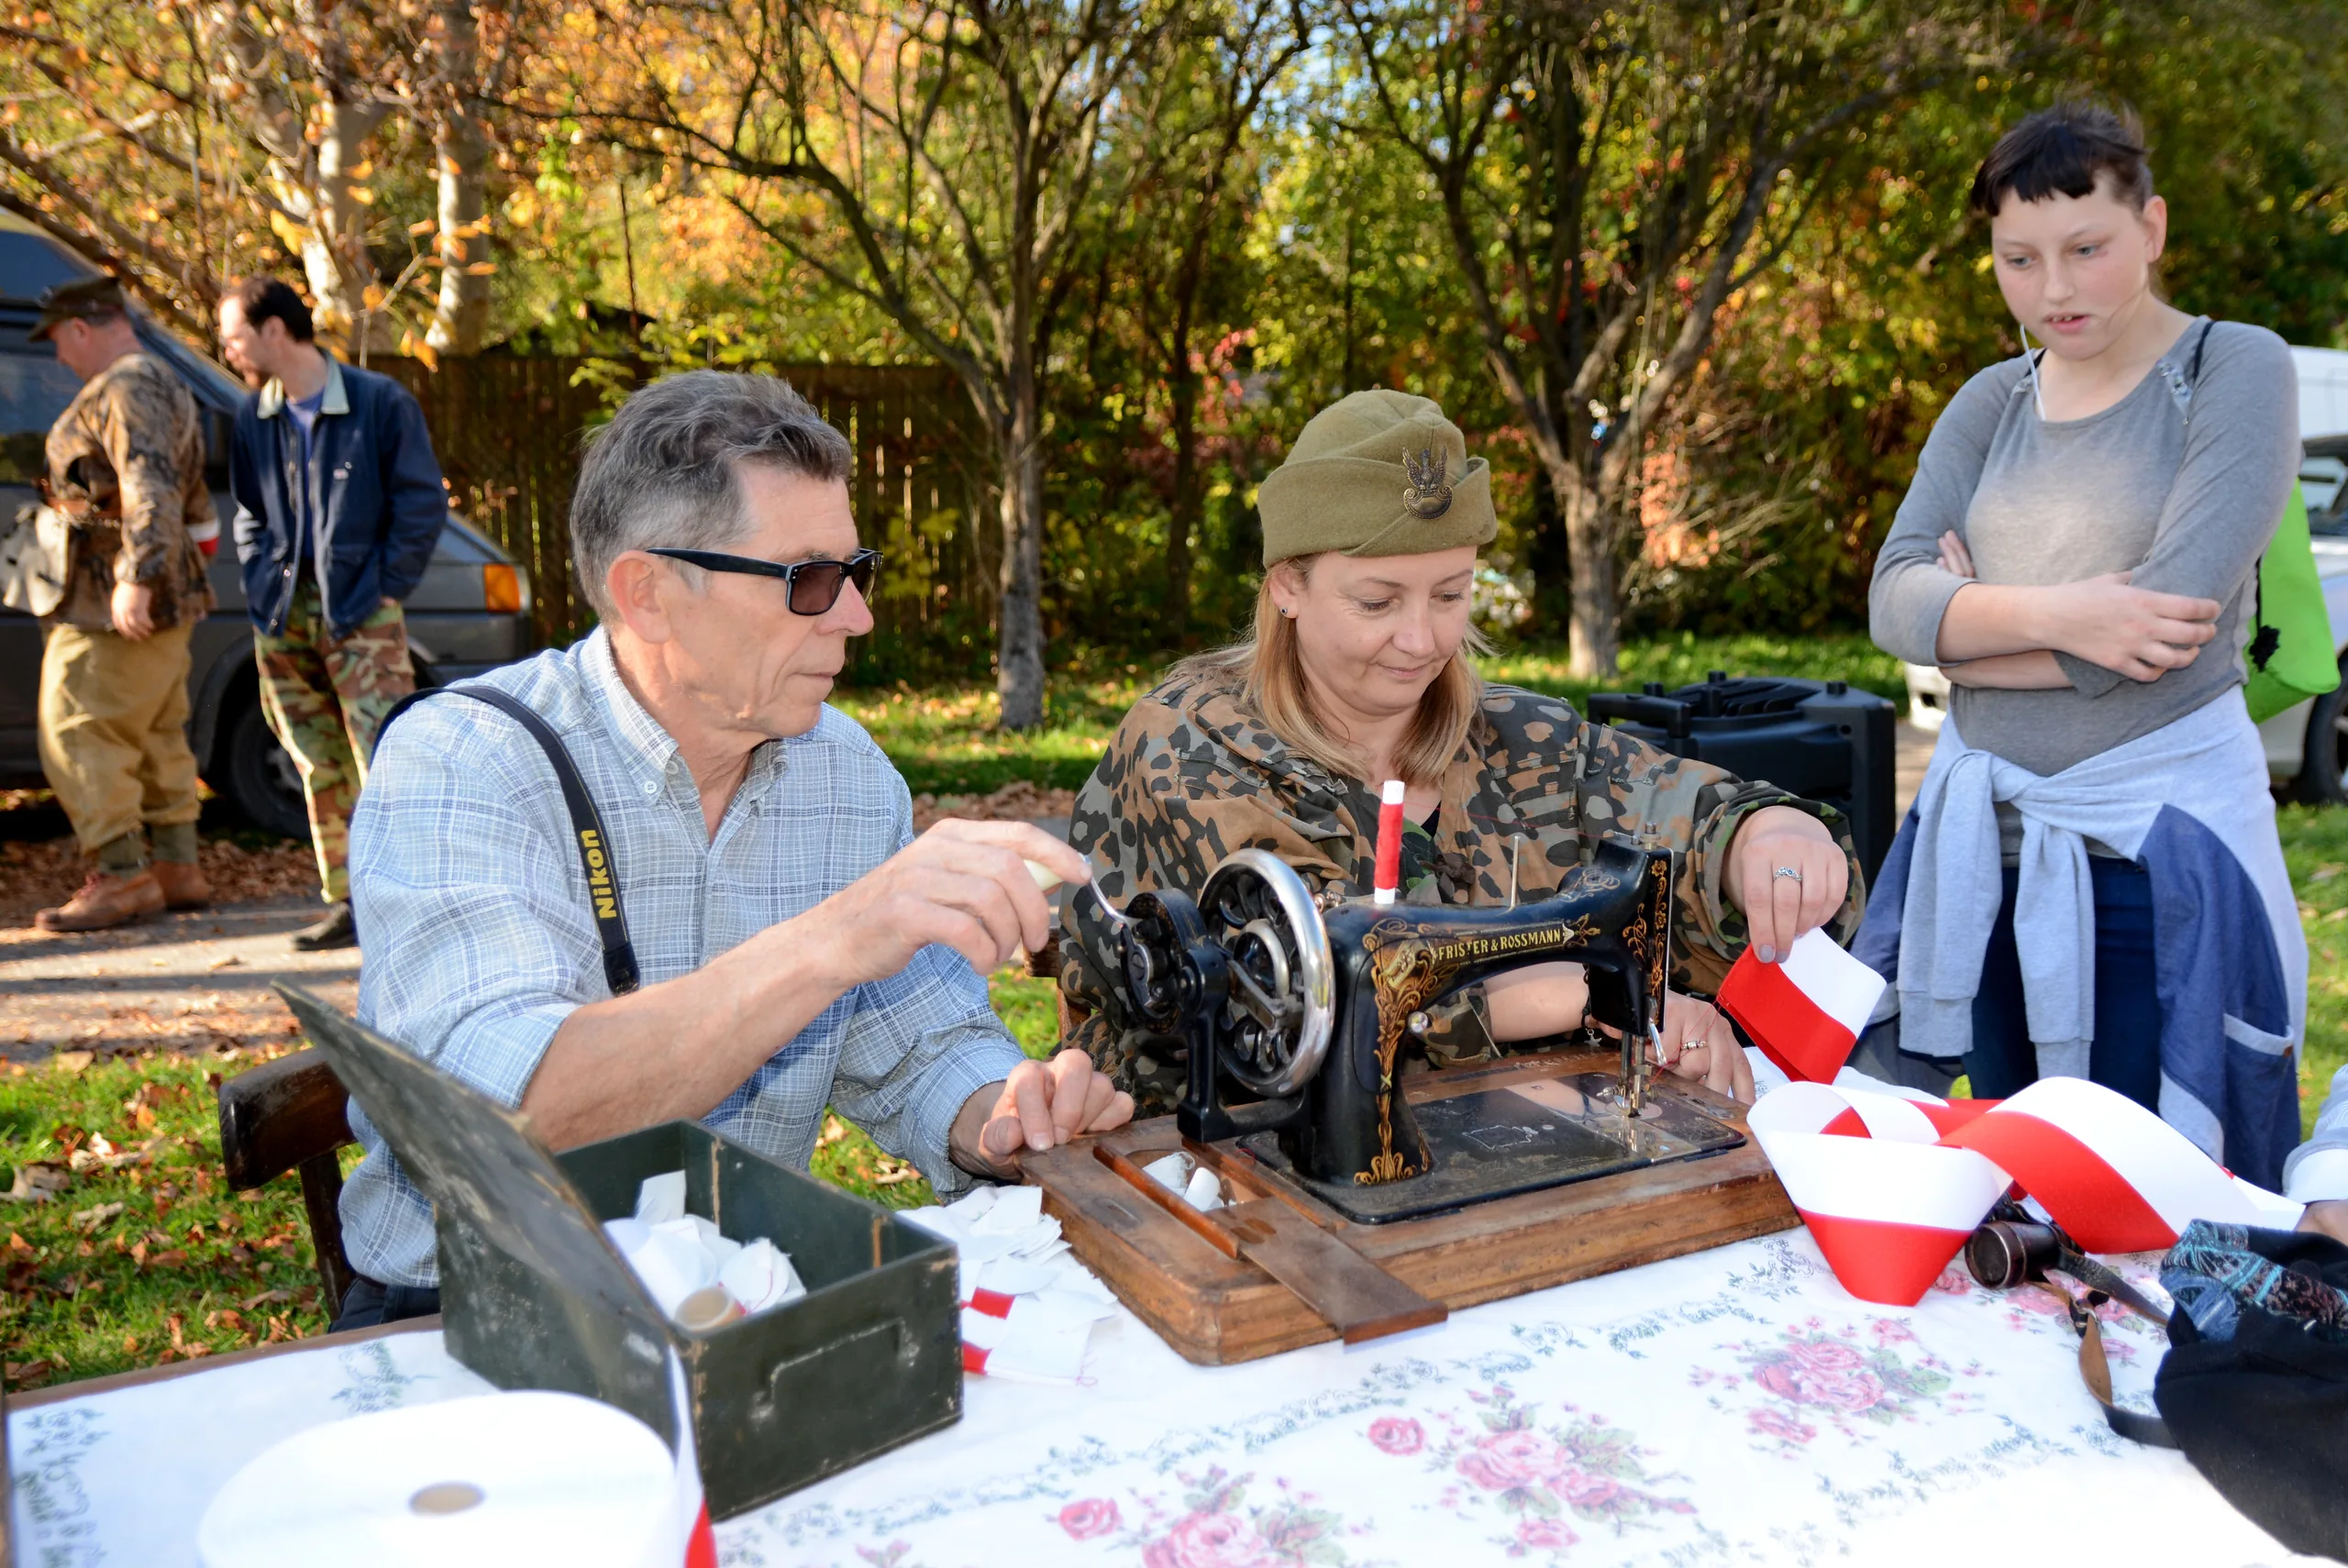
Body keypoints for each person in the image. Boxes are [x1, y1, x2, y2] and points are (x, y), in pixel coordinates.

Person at [332, 370, 1133, 1330]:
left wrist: (1006, 1112)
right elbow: (505, 1119)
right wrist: (838, 937)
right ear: (650, 594)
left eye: (854, 571)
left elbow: (919, 1046)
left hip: (731, 1304)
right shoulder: (466, 761)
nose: (857, 618)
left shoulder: (845, 772)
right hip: (469, 1317)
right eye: (808, 580)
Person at [1059, 389, 1863, 1118]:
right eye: (1377, 601)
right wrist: (1603, 993)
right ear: (1287, 587)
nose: (1422, 640)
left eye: (1451, 594)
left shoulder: (1524, 741)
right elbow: (1329, 978)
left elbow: (1686, 816)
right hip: (1220, 1173)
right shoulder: (1187, 749)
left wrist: (1764, 840)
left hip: (1503, 1147)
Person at [1864, 103, 2305, 1187]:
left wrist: (1964, 631)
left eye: (2085, 250)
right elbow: (1890, 602)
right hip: (1989, 866)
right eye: (2019, 259)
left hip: (2157, 871)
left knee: (2157, 1196)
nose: (2052, 290)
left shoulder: (2232, 370)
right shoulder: (1989, 401)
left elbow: (2162, 628)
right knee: (2021, 1173)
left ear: (2150, 228)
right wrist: (2066, 613)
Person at [216, 277, 448, 952]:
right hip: (282, 615)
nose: (228, 351)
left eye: (234, 337)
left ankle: (404, 906)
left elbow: (420, 505)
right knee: (314, 761)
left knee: (385, 757)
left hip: (362, 614)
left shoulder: (379, 403)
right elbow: (251, 515)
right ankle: (347, 903)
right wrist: (260, 586)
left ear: (274, 331)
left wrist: (383, 589)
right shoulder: (252, 417)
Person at [28, 278, 218, 932]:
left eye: (56, 340)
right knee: (155, 728)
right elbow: (186, 499)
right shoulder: (164, 381)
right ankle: (175, 866)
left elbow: (148, 481)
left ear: (81, 327)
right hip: (163, 590)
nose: (58, 357)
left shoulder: (125, 386)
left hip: (114, 594)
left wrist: (136, 575)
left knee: (76, 723)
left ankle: (121, 876)